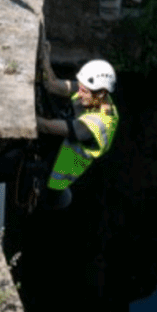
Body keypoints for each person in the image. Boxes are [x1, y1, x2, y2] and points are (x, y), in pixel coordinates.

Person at [36, 40, 118, 209]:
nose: (79, 92)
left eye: (84, 90)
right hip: (57, 147)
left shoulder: (94, 125)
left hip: (53, 174)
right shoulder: (94, 93)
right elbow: (54, 86)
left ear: (101, 93)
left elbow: (43, 126)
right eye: (80, 86)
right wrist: (45, 58)